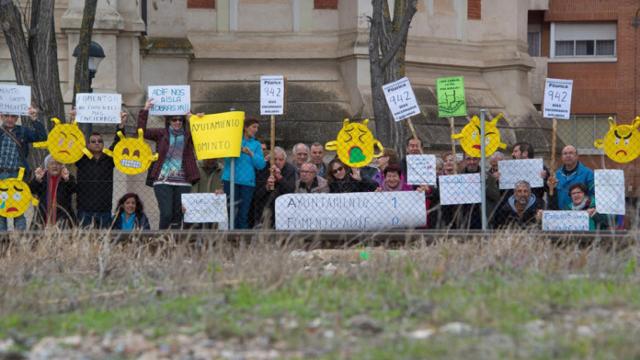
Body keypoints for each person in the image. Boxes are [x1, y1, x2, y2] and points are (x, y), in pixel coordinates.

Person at [138, 99, 200, 230]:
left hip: (183, 181)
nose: (177, 122)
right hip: (162, 180)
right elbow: (141, 132)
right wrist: (145, 110)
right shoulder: (161, 134)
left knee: (178, 216)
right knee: (166, 213)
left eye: (180, 120)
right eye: (174, 120)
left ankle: (174, 246)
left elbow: (203, 135)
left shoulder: (189, 136)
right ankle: (161, 242)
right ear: (169, 121)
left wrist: (195, 119)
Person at [75, 111, 127, 228]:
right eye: (93, 141)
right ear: (87, 145)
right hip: (84, 209)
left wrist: (121, 126)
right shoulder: (81, 159)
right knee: (84, 240)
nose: (97, 143)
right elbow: (72, 143)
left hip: (104, 209)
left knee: (105, 239)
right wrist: (73, 120)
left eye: (100, 141)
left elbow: (118, 143)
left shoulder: (109, 159)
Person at [0, 107, 46, 231]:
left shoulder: (23, 131)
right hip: (0, 175)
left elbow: (41, 137)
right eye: (7, 115)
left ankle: (20, 240)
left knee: (18, 208)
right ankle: (2, 242)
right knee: (1, 210)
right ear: (1, 116)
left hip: (18, 175)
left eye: (13, 116)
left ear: (17, 118)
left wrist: (34, 119)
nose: (10, 119)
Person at [221, 117, 266, 229]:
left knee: (244, 212)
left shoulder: (256, 145)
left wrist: (251, 153)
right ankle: (230, 238)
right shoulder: (233, 140)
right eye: (253, 127)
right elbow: (226, 159)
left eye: (257, 128)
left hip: (247, 182)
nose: (256, 130)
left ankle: (242, 239)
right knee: (231, 210)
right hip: (231, 180)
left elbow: (261, 165)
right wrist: (236, 150)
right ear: (245, 128)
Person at [252, 146, 295, 227]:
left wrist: (280, 178)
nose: (277, 162)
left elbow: (290, 190)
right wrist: (267, 187)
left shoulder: (290, 169)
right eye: (274, 159)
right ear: (270, 160)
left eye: (281, 160)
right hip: (264, 206)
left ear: (285, 160)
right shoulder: (262, 169)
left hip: (284, 207)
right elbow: (256, 195)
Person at [30, 155, 76, 229]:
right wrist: (37, 180)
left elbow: (73, 189)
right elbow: (32, 190)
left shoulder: (66, 176)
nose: (55, 166)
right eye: (52, 163)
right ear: (47, 166)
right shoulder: (42, 176)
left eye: (58, 163)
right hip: (43, 212)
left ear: (62, 166)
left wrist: (67, 179)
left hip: (63, 213)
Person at [548, 145, 594, 210]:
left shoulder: (588, 173)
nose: (568, 156)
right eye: (565, 153)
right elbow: (552, 195)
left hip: (581, 213)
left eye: (571, 153)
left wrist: (591, 208)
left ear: (577, 156)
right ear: (561, 157)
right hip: (561, 214)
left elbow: (593, 195)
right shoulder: (557, 174)